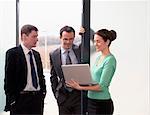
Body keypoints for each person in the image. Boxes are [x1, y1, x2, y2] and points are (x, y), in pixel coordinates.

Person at [67, 28, 117, 115]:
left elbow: (101, 87)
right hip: (91, 101)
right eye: (94, 41)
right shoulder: (98, 58)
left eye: (98, 41)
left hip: (102, 104)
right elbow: (94, 79)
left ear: (107, 42)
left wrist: (80, 87)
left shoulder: (110, 60)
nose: (95, 44)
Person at [4, 24, 46, 115]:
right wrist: (12, 100)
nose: (37, 39)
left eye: (37, 36)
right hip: (20, 101)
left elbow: (41, 76)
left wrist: (43, 93)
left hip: (37, 100)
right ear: (24, 36)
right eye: (34, 36)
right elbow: (8, 80)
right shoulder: (13, 54)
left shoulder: (36, 55)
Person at [49, 25, 82, 114]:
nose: (68, 42)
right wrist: (57, 95)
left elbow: (93, 40)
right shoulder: (53, 54)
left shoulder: (79, 49)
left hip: (79, 95)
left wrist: (85, 32)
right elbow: (53, 76)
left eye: (71, 39)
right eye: (65, 39)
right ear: (60, 38)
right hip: (63, 97)